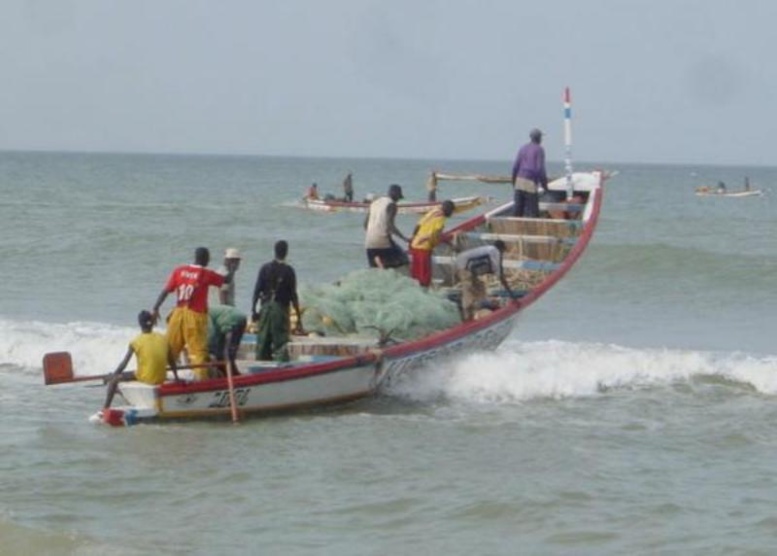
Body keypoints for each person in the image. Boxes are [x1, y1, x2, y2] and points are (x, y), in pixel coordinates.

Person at [151, 247, 232, 380]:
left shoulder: (179, 271)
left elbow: (165, 291)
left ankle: (159, 377)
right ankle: (201, 383)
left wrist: (155, 308)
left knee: (170, 350)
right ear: (206, 259)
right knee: (198, 353)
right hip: (194, 316)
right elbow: (226, 280)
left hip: (177, 315)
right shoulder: (205, 274)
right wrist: (230, 267)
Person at [103, 310, 178, 409]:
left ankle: (105, 409)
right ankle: (127, 396)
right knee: (129, 374)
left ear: (140, 324)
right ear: (152, 322)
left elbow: (123, 364)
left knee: (114, 381)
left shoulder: (136, 341)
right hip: (161, 377)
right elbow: (172, 361)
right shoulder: (163, 338)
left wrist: (113, 375)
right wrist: (176, 377)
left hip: (146, 378)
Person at [251, 240, 302, 361]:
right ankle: (281, 368)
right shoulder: (289, 271)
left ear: (274, 252)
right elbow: (293, 295)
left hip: (265, 309)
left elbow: (257, 290)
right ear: (286, 252)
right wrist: (299, 317)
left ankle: (261, 367)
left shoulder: (265, 268)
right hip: (280, 310)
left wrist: (253, 310)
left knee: (263, 341)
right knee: (280, 342)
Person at [454, 240, 515, 321]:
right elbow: (500, 274)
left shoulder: (488, 250)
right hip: (464, 267)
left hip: (465, 266)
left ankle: (477, 312)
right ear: (501, 249)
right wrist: (512, 295)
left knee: (480, 287)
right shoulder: (495, 251)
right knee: (468, 289)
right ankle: (466, 318)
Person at [409, 199, 455, 287]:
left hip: (415, 245)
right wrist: (449, 242)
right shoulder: (441, 219)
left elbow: (418, 225)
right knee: (424, 276)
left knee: (416, 274)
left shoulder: (433, 212)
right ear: (448, 210)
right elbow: (435, 234)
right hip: (424, 248)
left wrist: (413, 237)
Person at [364, 183, 411, 269]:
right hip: (383, 242)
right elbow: (390, 226)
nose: (398, 201)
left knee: (375, 268)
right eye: (398, 198)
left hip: (369, 243)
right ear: (395, 195)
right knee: (404, 260)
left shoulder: (375, 203)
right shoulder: (392, 205)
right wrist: (405, 239)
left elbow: (365, 225)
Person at [511, 128, 549, 217]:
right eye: (541, 137)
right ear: (539, 138)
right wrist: (545, 186)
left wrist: (514, 182)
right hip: (530, 182)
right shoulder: (539, 149)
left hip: (519, 181)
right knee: (533, 212)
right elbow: (540, 169)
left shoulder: (523, 148)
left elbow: (515, 166)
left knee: (517, 210)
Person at [208, 304, 247, 377]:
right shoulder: (211, 311)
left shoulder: (204, 314)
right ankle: (234, 373)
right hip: (241, 318)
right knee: (230, 351)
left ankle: (230, 376)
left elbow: (211, 333)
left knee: (225, 353)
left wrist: (210, 348)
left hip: (230, 321)